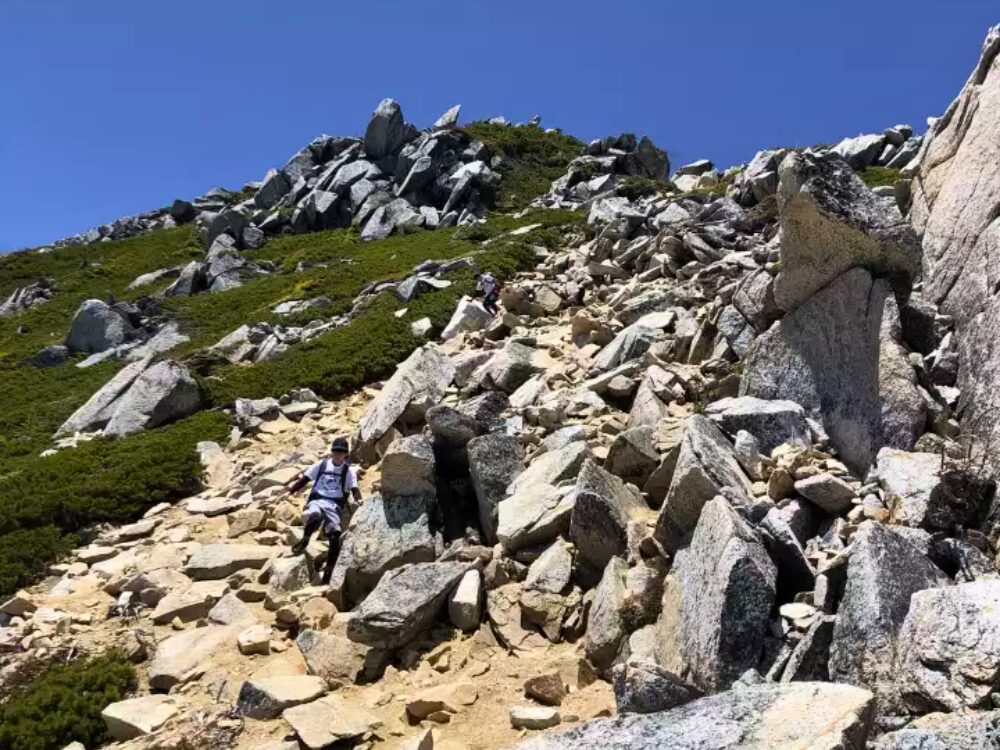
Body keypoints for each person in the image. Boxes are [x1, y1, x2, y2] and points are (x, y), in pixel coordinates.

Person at [284, 437, 362, 584]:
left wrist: (359, 500)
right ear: (331, 452)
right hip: (317, 500)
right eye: (336, 451)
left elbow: (354, 489)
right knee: (315, 515)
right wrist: (290, 491)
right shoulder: (322, 464)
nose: (338, 454)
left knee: (335, 537)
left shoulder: (349, 471)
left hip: (334, 505)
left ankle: (328, 572)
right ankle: (306, 539)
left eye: (341, 452)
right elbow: (305, 479)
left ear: (346, 454)